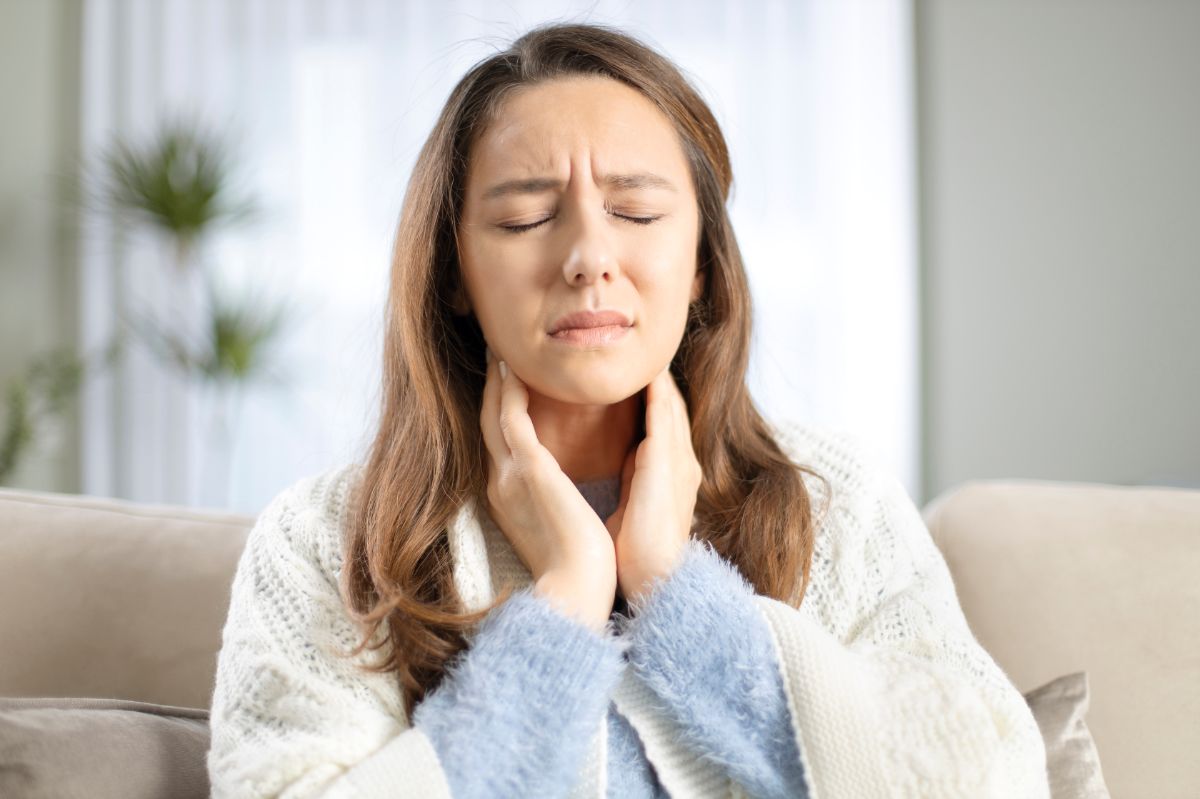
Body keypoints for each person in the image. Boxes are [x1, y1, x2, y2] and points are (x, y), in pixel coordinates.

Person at [206, 21, 1051, 799]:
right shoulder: (325, 541)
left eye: (636, 211)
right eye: (526, 215)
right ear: (454, 273)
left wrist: (672, 586)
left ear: (702, 266)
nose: (587, 257)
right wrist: (565, 603)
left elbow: (992, 778)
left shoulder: (837, 501)